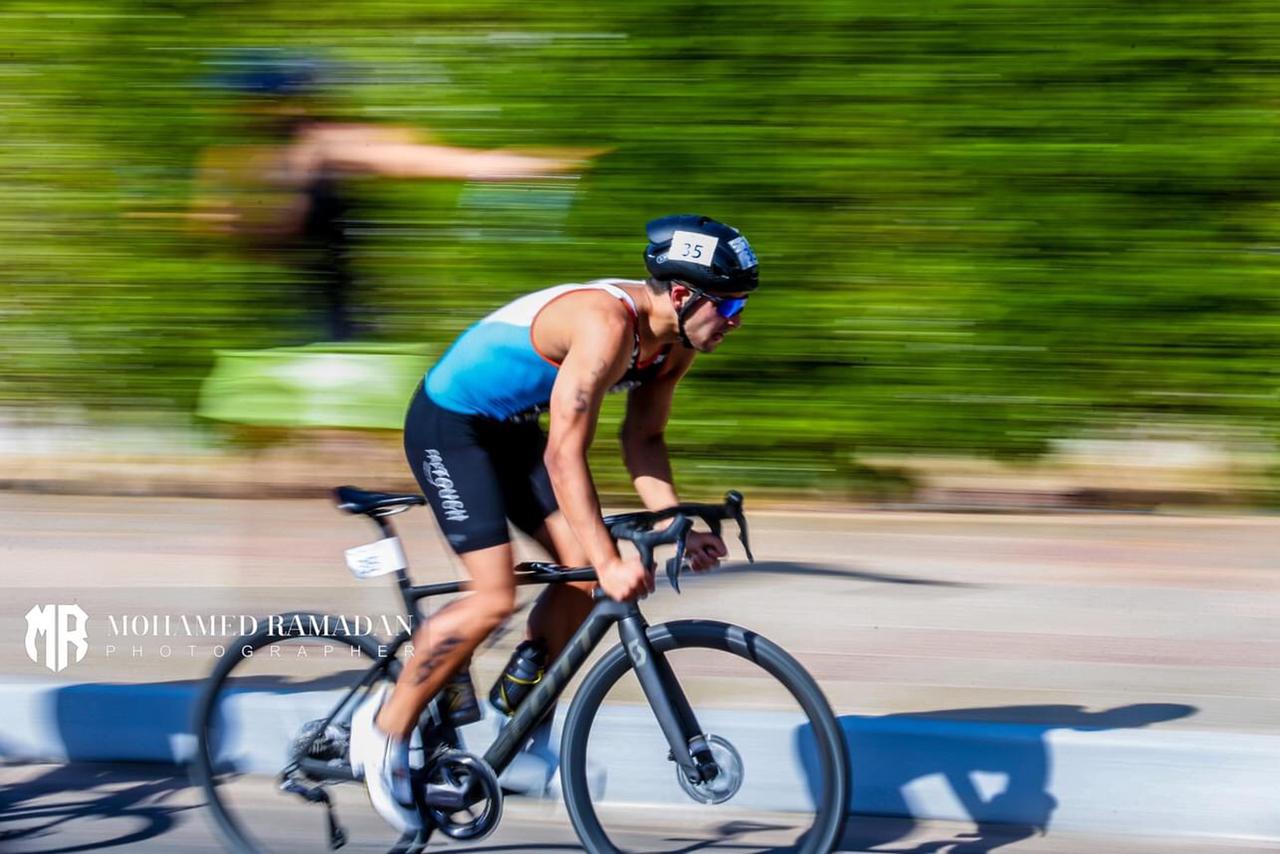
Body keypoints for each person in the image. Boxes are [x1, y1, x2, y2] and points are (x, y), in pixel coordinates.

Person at [347, 214, 760, 831]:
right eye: (728, 305)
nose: (735, 320)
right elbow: (564, 455)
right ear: (681, 294)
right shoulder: (606, 324)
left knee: (583, 581)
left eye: (742, 306)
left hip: (512, 432)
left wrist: (676, 523)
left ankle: (513, 717)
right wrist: (611, 560)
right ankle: (383, 729)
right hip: (450, 427)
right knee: (493, 596)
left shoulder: (675, 346)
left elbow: (643, 439)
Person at [191, 51, 597, 342]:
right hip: (282, 317)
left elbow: (434, 161)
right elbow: (214, 225)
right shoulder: (240, 159)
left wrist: (530, 165)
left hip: (340, 319)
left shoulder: (330, 144)